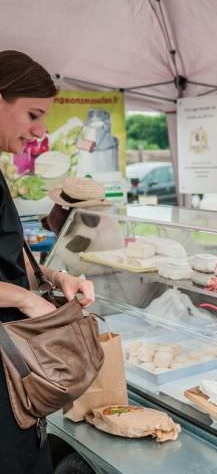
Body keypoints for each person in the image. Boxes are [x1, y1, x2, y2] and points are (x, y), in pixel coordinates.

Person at [0, 50, 95, 473]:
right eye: (32, 116)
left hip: (14, 359)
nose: (39, 132)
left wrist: (53, 276)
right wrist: (23, 299)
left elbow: (8, 244)